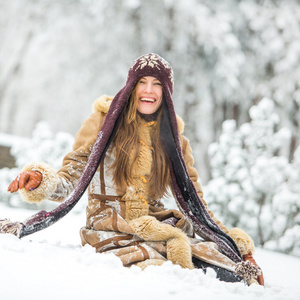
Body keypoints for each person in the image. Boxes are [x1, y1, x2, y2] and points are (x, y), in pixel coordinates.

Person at [7, 53, 263, 285]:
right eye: (142, 82)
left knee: (226, 269)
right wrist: (42, 180)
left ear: (167, 93)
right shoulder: (102, 123)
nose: (148, 90)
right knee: (158, 272)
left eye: (157, 84)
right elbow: (72, 176)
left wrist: (239, 248)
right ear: (131, 86)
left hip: (157, 224)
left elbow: (196, 204)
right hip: (108, 226)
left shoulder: (176, 143)